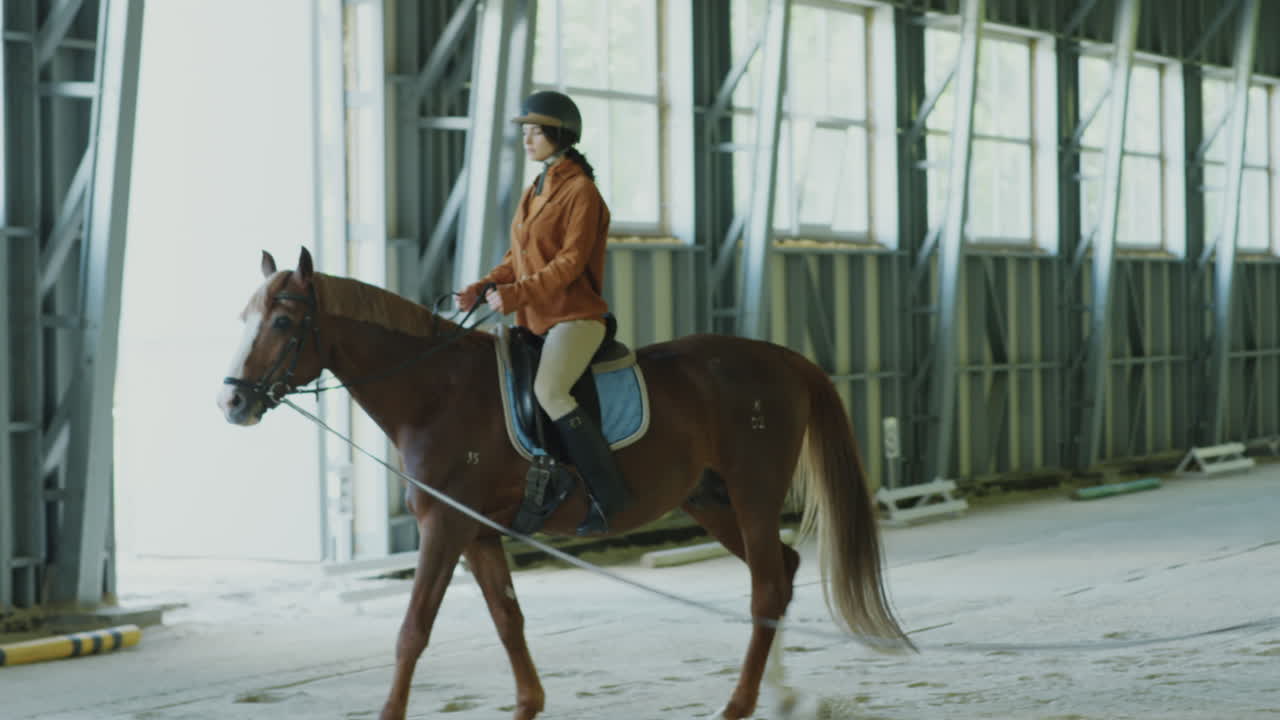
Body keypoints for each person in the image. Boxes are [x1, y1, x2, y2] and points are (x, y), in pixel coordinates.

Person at [457, 90, 629, 536]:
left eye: (535, 132)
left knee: (550, 390)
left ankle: (607, 491)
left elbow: (570, 263)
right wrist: (485, 286)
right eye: (526, 132)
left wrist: (517, 294)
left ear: (559, 134)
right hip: (534, 320)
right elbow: (517, 258)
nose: (527, 140)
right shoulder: (535, 189)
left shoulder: (582, 192)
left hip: (575, 317)